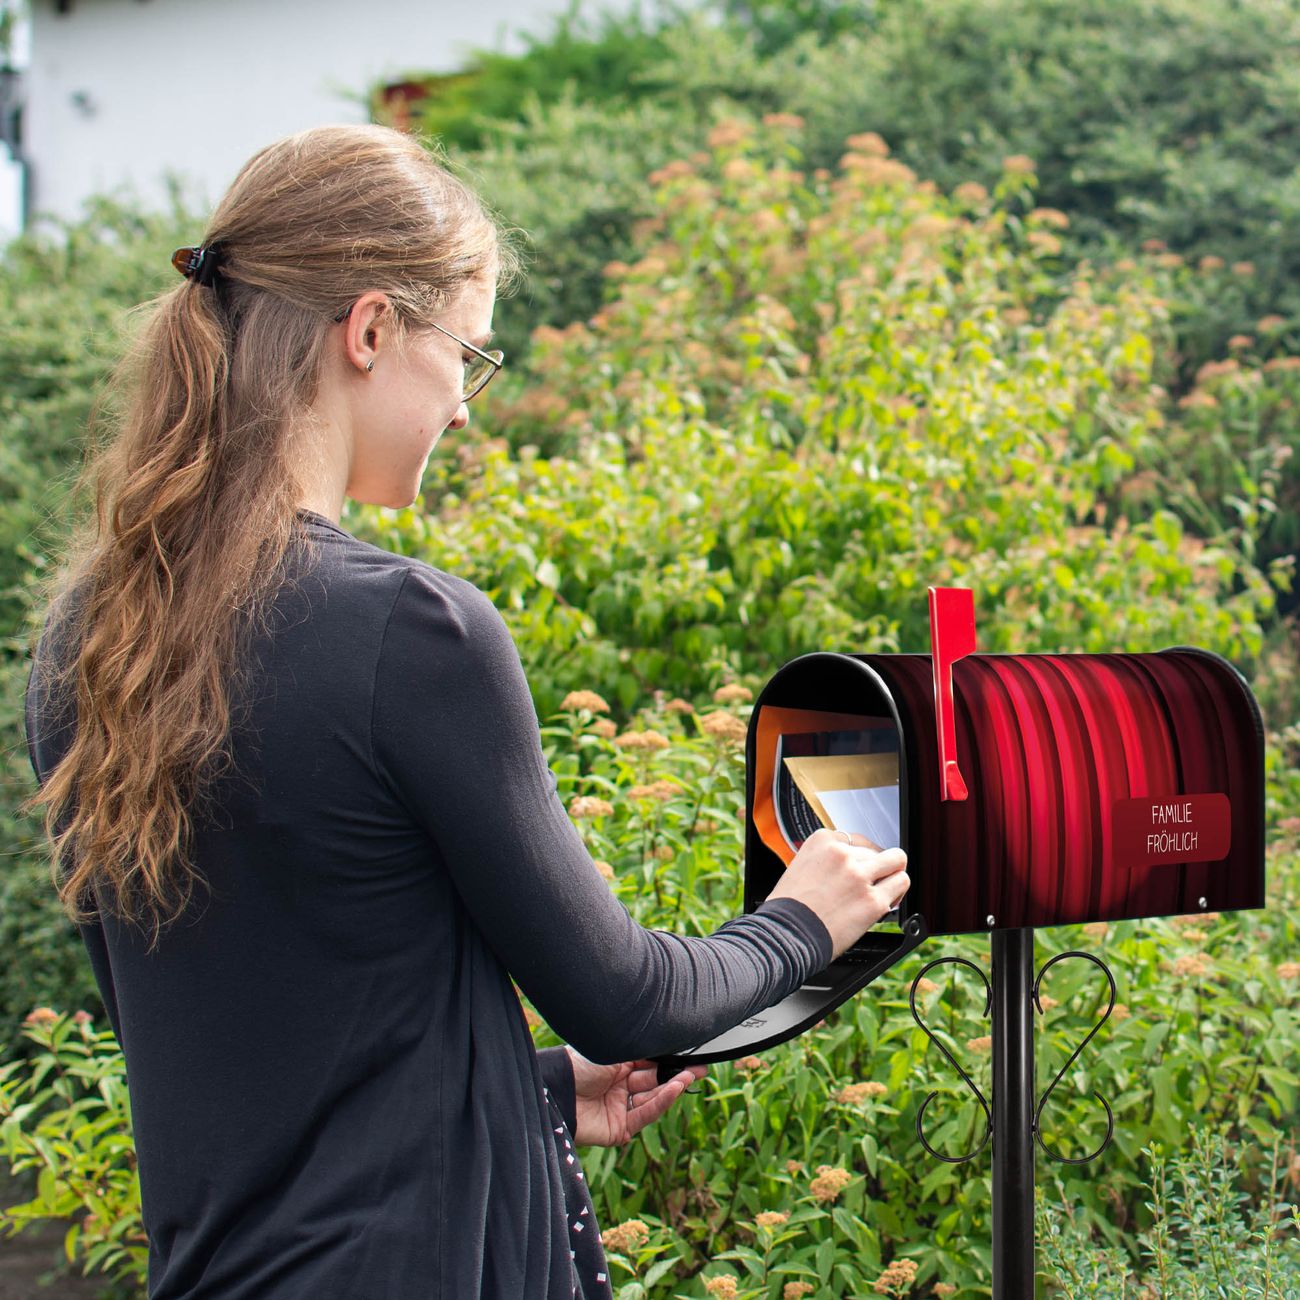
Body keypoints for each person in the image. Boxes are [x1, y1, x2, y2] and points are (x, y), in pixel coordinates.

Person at [21, 124, 910, 1300]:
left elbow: (237, 1046)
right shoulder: (405, 630)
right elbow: (628, 996)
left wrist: (527, 1088)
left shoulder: (87, 640)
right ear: (370, 329)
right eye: (467, 355)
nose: (465, 409)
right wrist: (801, 919)